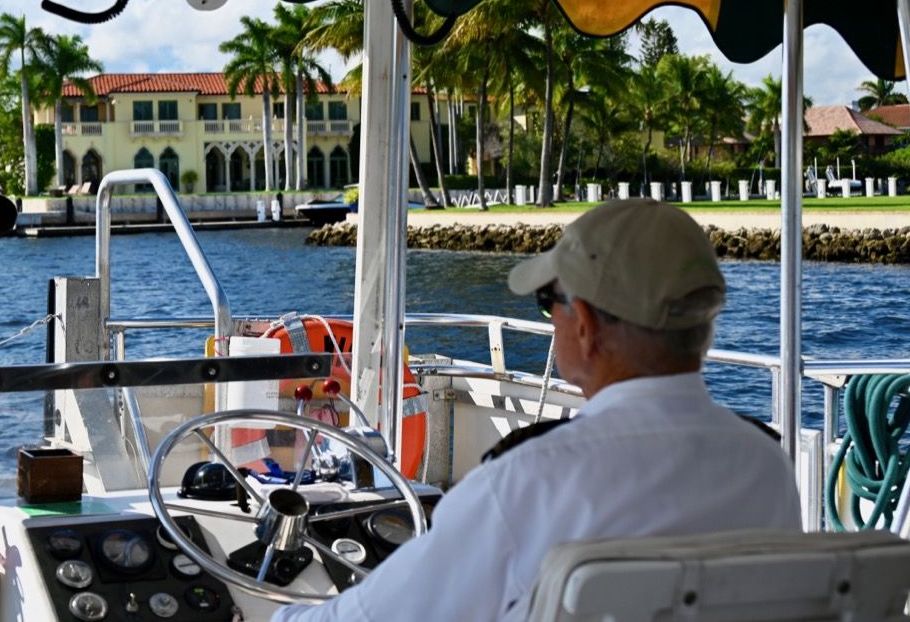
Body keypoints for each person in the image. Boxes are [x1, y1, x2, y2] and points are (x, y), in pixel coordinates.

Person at [273, 198, 801, 622]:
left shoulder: (529, 480)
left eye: (550, 301)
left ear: (586, 326)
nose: (550, 318)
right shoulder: (767, 467)